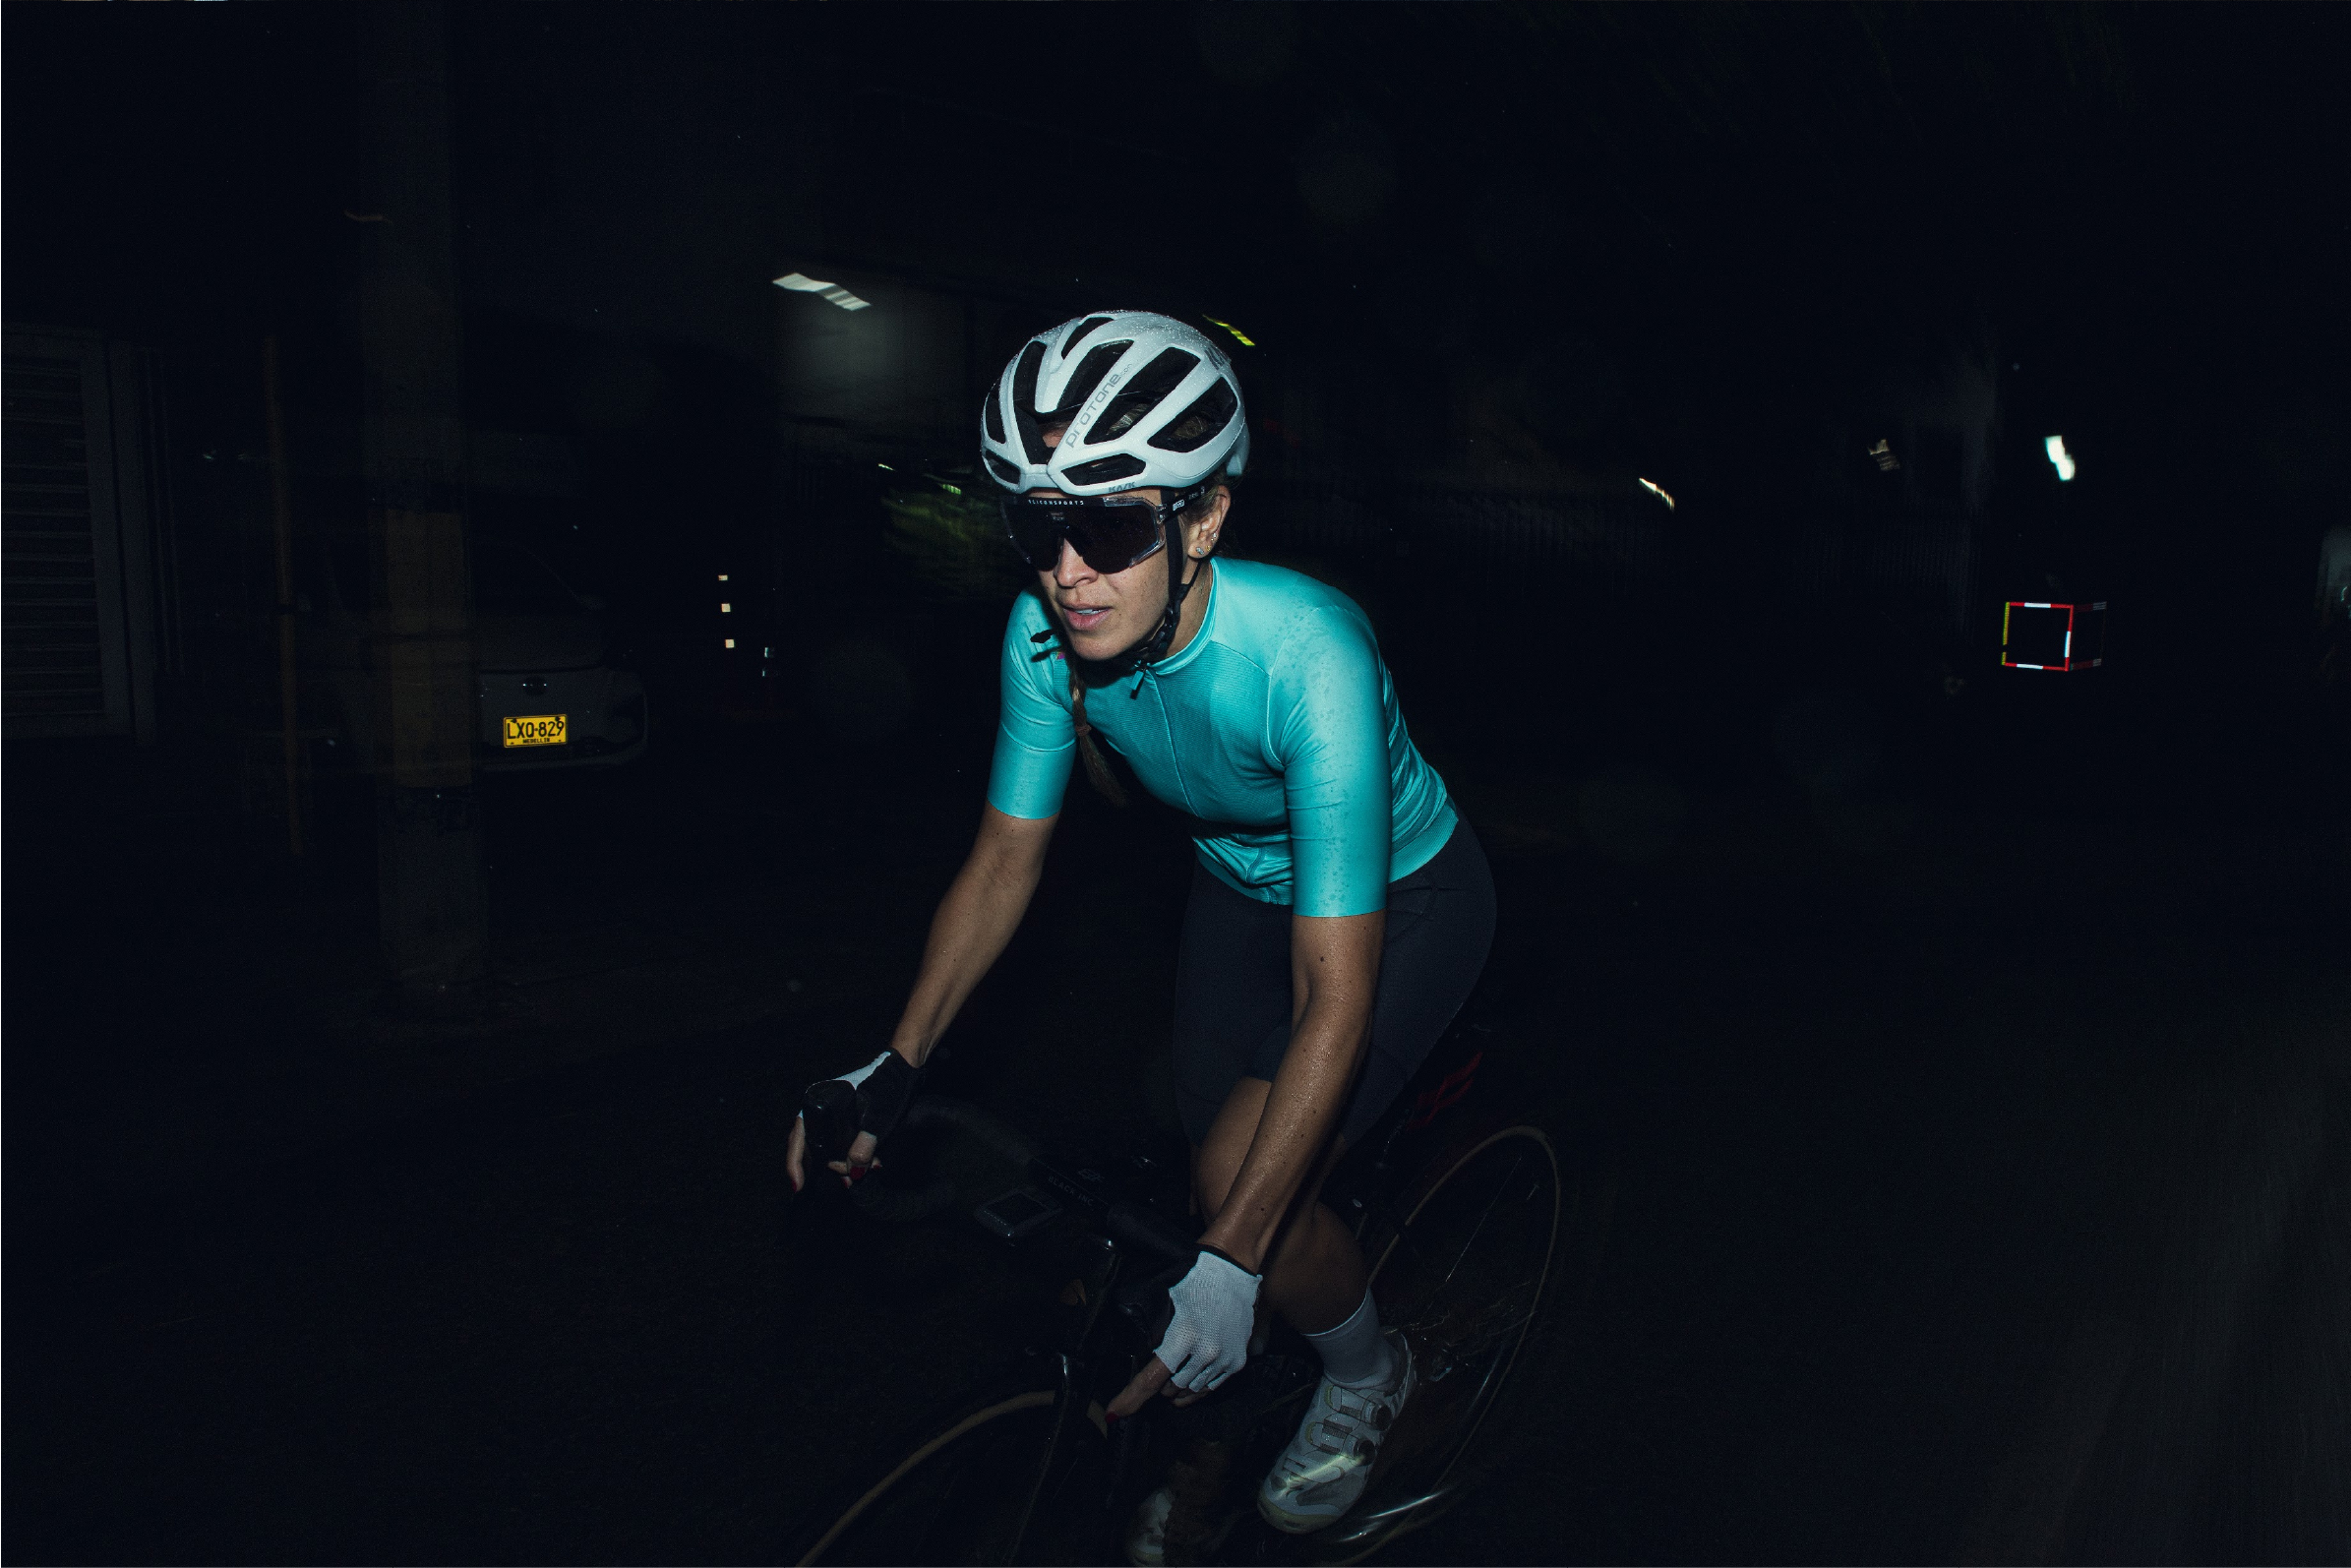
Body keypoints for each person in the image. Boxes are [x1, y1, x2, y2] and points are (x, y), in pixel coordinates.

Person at [786, 311, 1495, 1554]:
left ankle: (1368, 1371)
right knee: (1189, 1205)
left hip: (1404, 900)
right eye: (1034, 528)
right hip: (1234, 888)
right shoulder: (1042, 641)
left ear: (1203, 517)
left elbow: (1333, 996)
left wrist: (1237, 1255)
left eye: (1109, 528)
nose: (1066, 573)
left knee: (1239, 1197)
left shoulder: (1306, 651)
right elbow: (1004, 859)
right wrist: (896, 1058)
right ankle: (1223, 1401)